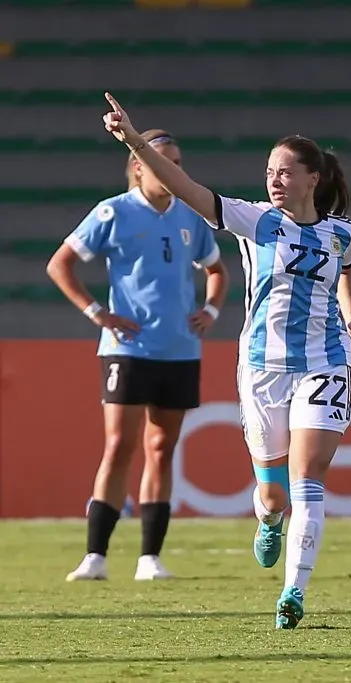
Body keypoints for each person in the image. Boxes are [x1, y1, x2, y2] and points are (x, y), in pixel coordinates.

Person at [100, 93, 351, 629]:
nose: (274, 180)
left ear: (313, 178)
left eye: (285, 171)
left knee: (308, 477)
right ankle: (268, 520)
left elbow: (344, 270)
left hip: (326, 361)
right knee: (273, 496)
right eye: (269, 171)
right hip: (263, 367)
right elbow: (185, 188)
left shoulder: (342, 233)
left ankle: (294, 591)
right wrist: (133, 141)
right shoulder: (255, 221)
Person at [47, 128, 229, 582]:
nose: (173, 170)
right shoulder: (114, 212)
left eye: (177, 162)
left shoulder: (189, 215)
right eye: (162, 161)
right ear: (137, 166)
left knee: (162, 449)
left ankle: (150, 557)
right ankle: (96, 555)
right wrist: (96, 312)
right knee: (119, 446)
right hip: (128, 348)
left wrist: (209, 308)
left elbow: (217, 269)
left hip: (179, 349)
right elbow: (60, 263)